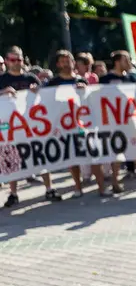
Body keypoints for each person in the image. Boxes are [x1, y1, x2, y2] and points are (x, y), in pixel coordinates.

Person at [1, 46, 63, 207]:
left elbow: (45, 100)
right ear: (7, 61)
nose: (16, 63)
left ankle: (49, 188)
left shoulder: (31, 79)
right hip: (12, 128)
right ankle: (13, 193)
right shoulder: (2, 80)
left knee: (39, 155)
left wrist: (38, 91)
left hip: (33, 126)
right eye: (13, 60)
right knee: (12, 158)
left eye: (19, 59)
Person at [48, 50, 115, 198]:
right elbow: (46, 102)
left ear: (73, 63)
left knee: (94, 157)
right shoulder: (52, 83)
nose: (66, 64)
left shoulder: (81, 81)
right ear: (58, 64)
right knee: (73, 159)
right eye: (63, 61)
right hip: (65, 126)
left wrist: (85, 91)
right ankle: (78, 188)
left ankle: (101, 188)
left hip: (85, 125)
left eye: (69, 60)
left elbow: (90, 102)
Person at [100, 50, 136, 191]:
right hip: (114, 122)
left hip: (130, 120)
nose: (129, 63)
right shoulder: (106, 80)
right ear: (117, 62)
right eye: (126, 60)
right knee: (117, 151)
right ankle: (115, 182)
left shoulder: (131, 79)